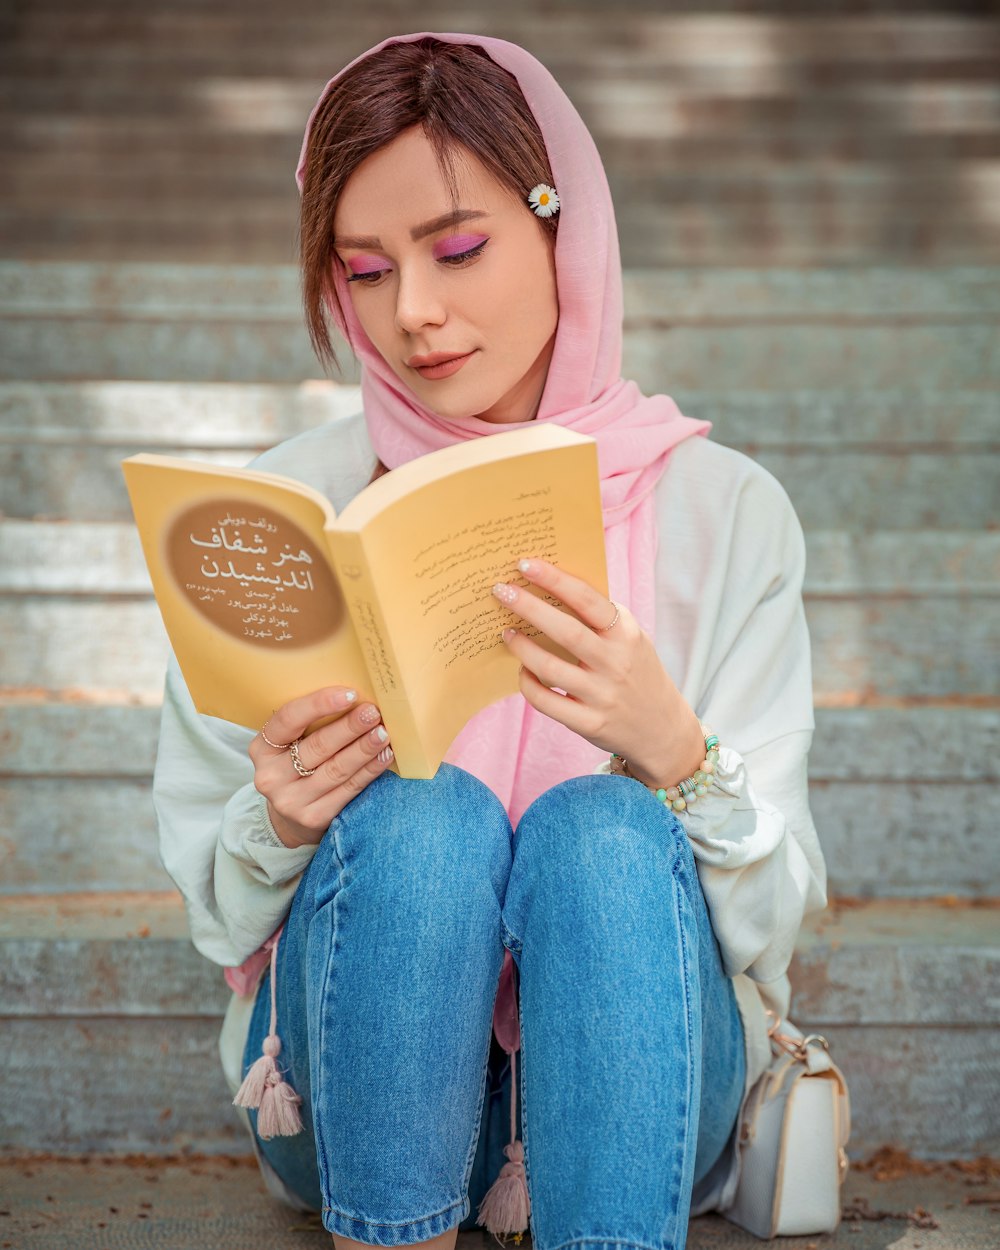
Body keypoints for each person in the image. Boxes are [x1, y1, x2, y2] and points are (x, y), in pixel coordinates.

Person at [151, 31, 829, 1250]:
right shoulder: (283, 514)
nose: (413, 312)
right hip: (353, 1081)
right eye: (362, 272)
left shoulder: (726, 514)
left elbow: (773, 924)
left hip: (646, 1089)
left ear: (564, 230)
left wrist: (674, 751)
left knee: (601, 828)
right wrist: (290, 819)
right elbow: (216, 914)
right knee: (422, 813)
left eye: (459, 249)